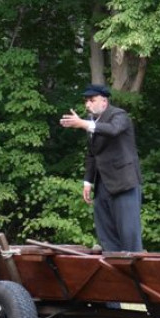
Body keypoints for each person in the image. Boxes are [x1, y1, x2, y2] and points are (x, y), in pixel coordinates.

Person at [59, 83, 143, 252]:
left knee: (128, 234)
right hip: (103, 184)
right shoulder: (90, 122)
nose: (87, 104)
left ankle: (135, 272)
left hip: (124, 183)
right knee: (106, 234)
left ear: (104, 101)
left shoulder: (119, 115)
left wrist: (83, 124)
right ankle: (113, 273)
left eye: (92, 100)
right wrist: (87, 182)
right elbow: (92, 154)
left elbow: (113, 130)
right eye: (86, 101)